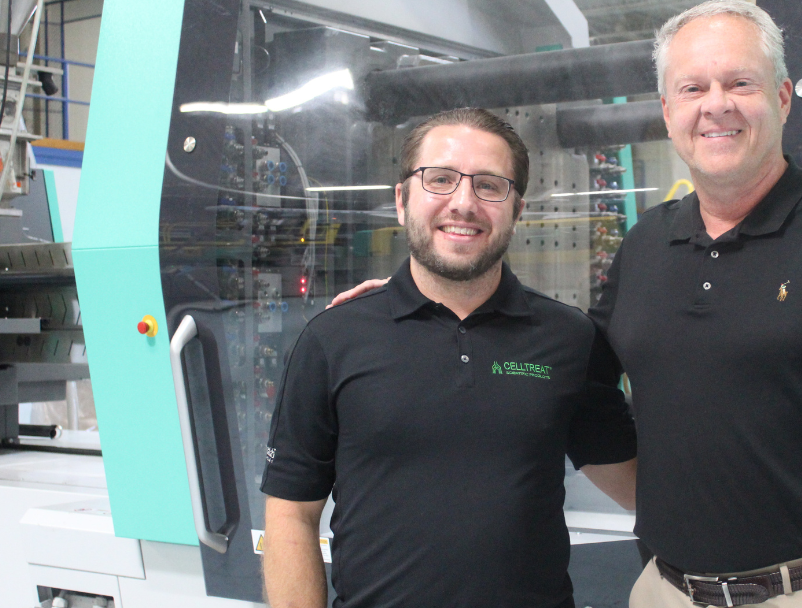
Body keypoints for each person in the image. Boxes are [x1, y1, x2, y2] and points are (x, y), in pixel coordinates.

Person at [331, 0, 802, 608]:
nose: (716, 106)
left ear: (783, 98)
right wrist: (421, 304)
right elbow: (570, 372)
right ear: (668, 111)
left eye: (741, 84)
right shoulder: (648, 244)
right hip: (664, 593)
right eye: (693, 88)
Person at [261, 108, 638, 608]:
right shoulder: (333, 339)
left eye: (489, 185)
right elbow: (291, 515)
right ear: (401, 200)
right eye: (439, 179)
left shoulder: (569, 339)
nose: (463, 203)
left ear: (517, 210)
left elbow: (636, 482)